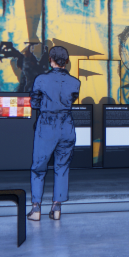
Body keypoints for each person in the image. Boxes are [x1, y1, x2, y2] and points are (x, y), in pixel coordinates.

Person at [28, 46, 80, 222]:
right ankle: (56, 208)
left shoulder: (41, 79)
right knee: (62, 167)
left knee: (38, 168)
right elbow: (71, 99)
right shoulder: (75, 82)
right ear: (66, 61)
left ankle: (36, 209)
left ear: (50, 59)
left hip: (47, 125)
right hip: (67, 125)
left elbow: (34, 103)